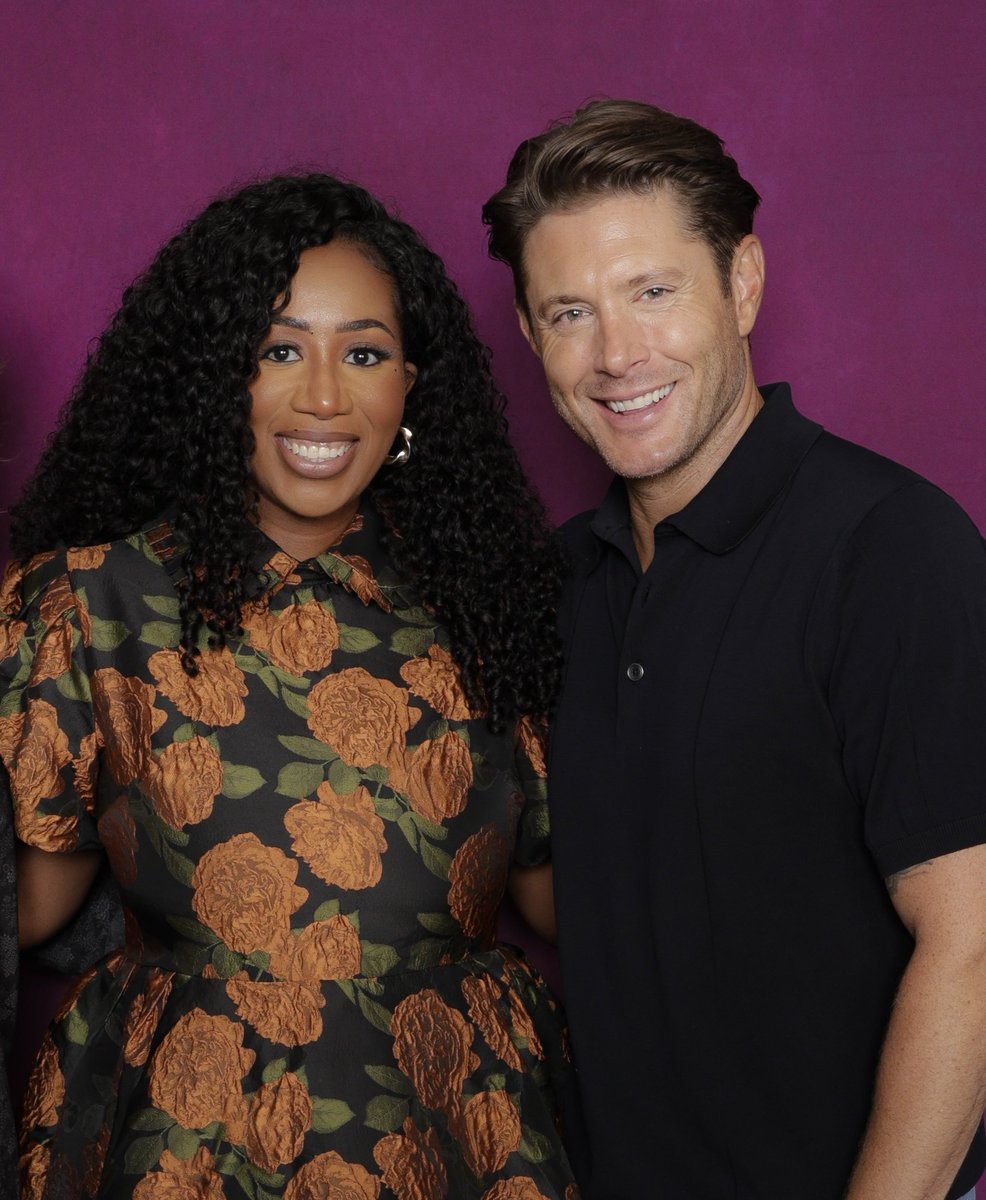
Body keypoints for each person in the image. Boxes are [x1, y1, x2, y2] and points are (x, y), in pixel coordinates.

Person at [0, 172, 579, 1199]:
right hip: (180, 1140)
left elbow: (562, 896)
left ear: (411, 383)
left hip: (459, 1131)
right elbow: (32, 910)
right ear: (212, 379)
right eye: (277, 351)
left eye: (362, 352)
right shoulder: (87, 604)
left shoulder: (499, 602)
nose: (323, 396)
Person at [482, 99, 986, 1200]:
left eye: (652, 292)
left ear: (740, 283)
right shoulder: (556, 585)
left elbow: (974, 947)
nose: (617, 355)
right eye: (569, 311)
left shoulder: (890, 548)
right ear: (528, 336)